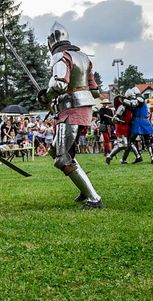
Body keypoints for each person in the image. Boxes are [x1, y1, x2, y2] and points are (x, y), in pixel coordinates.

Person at [37, 21, 103, 209]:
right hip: (83, 108)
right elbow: (95, 90)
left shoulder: (61, 56)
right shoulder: (83, 57)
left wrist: (46, 97)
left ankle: (94, 198)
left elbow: (59, 85)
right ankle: (84, 187)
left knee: (62, 157)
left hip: (71, 110)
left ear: (51, 41)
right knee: (54, 151)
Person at [125, 87, 153, 164]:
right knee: (147, 141)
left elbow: (133, 103)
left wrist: (124, 100)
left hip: (138, 121)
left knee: (131, 141)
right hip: (143, 121)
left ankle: (139, 157)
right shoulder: (138, 100)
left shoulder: (140, 99)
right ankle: (152, 157)